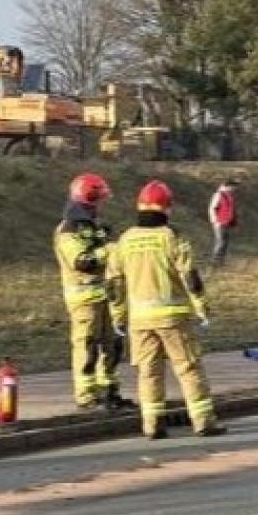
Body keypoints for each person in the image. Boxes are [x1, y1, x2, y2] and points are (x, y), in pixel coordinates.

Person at [107, 180, 224, 440]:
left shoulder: (124, 241)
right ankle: (203, 422)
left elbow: (113, 284)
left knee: (148, 373)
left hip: (139, 321)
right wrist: (202, 308)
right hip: (173, 318)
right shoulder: (171, 237)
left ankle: (152, 425)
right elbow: (190, 277)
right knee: (188, 368)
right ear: (166, 208)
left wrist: (118, 317)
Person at [54, 173, 130, 410]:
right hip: (84, 299)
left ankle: (109, 391)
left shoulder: (90, 227)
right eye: (98, 200)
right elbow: (83, 262)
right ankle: (86, 396)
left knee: (112, 345)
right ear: (89, 199)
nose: (100, 205)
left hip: (104, 295)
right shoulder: (68, 230)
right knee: (87, 346)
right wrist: (110, 251)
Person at [208, 178, 238, 266]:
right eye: (233, 187)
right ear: (228, 186)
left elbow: (231, 210)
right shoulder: (219, 195)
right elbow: (212, 208)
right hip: (219, 223)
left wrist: (234, 222)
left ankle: (220, 261)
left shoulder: (229, 195)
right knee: (220, 242)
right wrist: (215, 221)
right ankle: (215, 261)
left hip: (227, 222)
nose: (234, 189)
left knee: (225, 242)